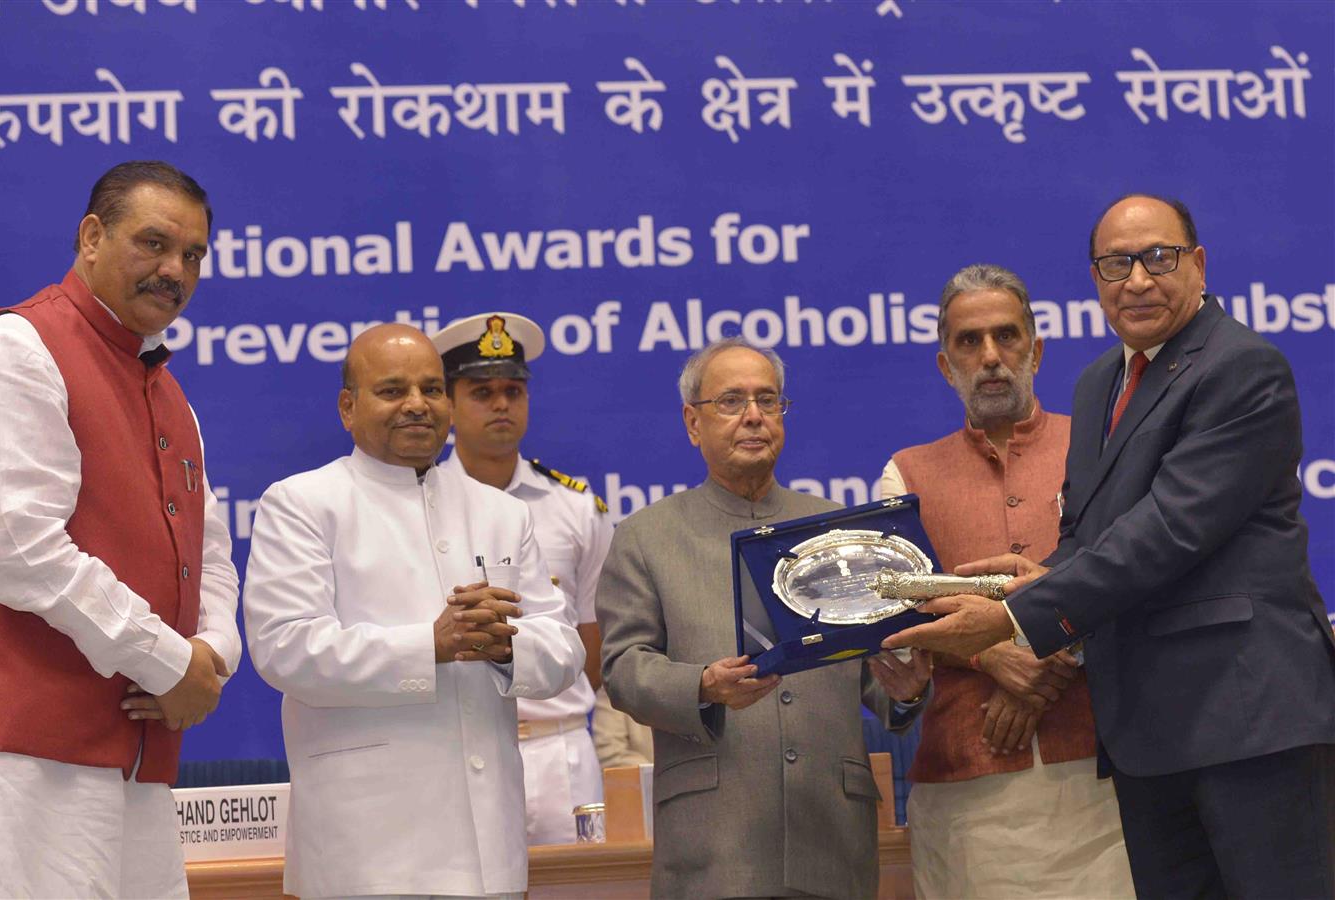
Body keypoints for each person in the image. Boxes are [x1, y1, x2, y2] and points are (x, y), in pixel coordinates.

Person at [886, 195, 1335, 898]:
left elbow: (1169, 531)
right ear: (1095, 278)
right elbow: (1095, 534)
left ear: (1199, 264)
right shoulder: (1103, 383)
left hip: (1249, 720)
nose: (1137, 280)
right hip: (1147, 735)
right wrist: (1034, 577)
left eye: (1159, 257)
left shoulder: (1242, 367)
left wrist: (1014, 616)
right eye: (1115, 263)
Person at [243, 323, 585, 898]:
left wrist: (504, 645)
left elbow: (563, 651)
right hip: (367, 850)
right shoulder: (302, 503)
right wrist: (430, 644)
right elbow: (286, 650)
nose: (416, 406)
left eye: (431, 390)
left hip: (491, 846)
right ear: (347, 408)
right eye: (392, 390)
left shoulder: (501, 512)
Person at [0, 160, 241, 899]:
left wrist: (209, 660)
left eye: (192, 255)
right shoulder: (21, 346)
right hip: (35, 763)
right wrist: (168, 663)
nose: (175, 270)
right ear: (91, 237)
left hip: (141, 760)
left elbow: (210, 555)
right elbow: (17, 549)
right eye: (154, 243)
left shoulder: (169, 391)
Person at [596, 337, 933, 900]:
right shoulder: (645, 538)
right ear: (692, 422)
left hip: (832, 832)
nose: (753, 416)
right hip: (714, 841)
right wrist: (701, 685)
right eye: (731, 401)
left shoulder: (837, 531)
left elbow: (879, 672)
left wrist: (906, 690)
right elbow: (624, 670)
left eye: (767, 400)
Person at [879, 263, 1131, 898]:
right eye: (969, 342)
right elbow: (899, 613)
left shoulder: (1103, 450)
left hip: (1106, 779)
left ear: (1036, 350)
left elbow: (1135, 576)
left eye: (1006, 336)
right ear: (945, 365)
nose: (990, 357)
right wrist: (994, 657)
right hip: (970, 792)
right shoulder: (905, 474)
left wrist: (1045, 656)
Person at [433, 311, 609, 845]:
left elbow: (591, 645)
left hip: (562, 753)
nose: (502, 404)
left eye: (513, 390)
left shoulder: (576, 508)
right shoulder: (421, 504)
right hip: (457, 745)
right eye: (482, 392)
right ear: (448, 405)